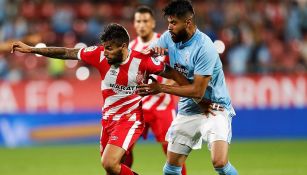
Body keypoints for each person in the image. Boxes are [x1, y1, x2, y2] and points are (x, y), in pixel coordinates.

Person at [11, 23, 221, 175]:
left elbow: (173, 74)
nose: (105, 52)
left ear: (123, 47)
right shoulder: (99, 54)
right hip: (108, 121)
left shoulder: (143, 62)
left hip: (130, 120)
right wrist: (32, 50)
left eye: (109, 48)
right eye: (104, 47)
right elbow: (67, 52)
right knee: (112, 170)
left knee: (109, 163)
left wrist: (199, 98)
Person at [138, 0, 238, 175]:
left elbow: (198, 91)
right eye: (169, 22)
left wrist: (160, 87)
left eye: (174, 23)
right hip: (188, 108)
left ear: (188, 22)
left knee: (220, 162)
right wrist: (151, 56)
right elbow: (146, 58)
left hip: (214, 107)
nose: (169, 27)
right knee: (171, 168)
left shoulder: (204, 47)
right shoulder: (169, 38)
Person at [127, 6, 187, 175]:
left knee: (172, 153)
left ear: (153, 23)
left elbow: (180, 70)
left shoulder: (166, 43)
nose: (142, 25)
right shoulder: (131, 47)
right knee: (124, 148)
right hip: (138, 107)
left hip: (162, 107)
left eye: (145, 21)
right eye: (138, 21)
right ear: (134, 24)